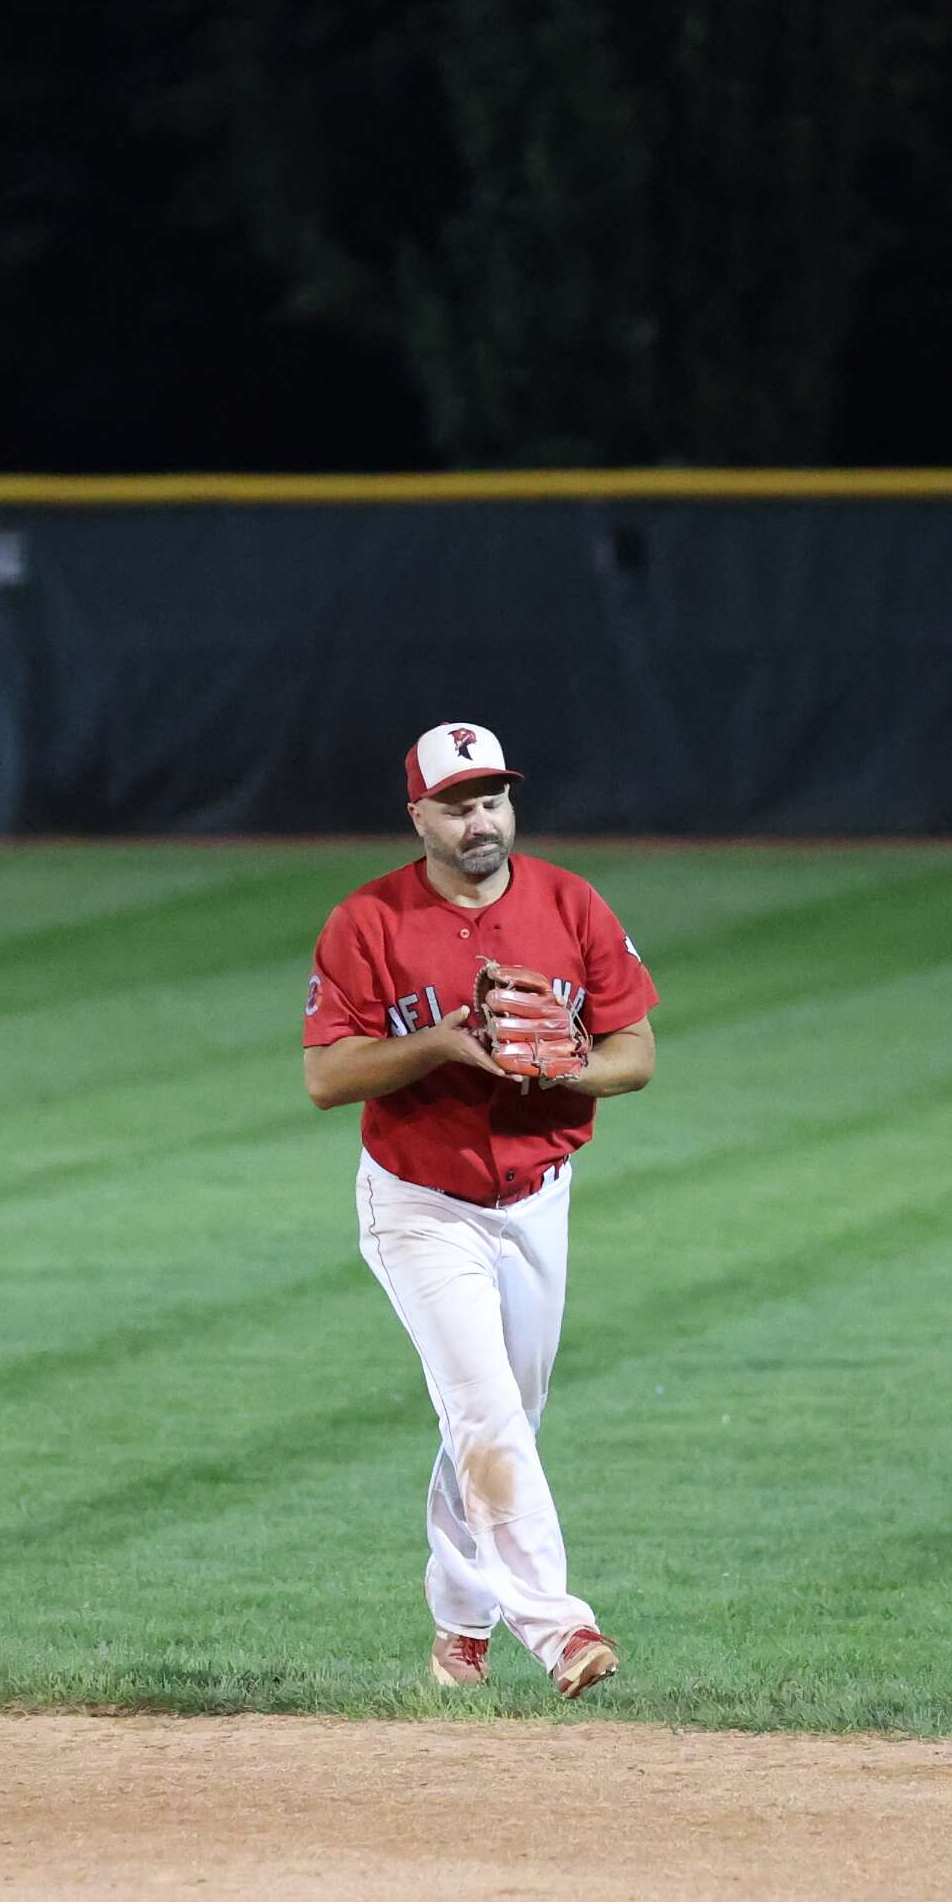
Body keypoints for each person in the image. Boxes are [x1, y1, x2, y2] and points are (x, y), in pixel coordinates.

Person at [303, 722, 659, 1699]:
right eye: (457, 806)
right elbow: (326, 1077)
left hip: (538, 1199)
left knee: (506, 1419)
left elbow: (636, 1052)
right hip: (419, 1205)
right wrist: (443, 1045)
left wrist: (568, 1066)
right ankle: (561, 1629)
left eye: (492, 800)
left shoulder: (570, 902)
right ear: (417, 815)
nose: (479, 822)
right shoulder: (367, 921)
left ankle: (461, 1623)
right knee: (484, 1410)